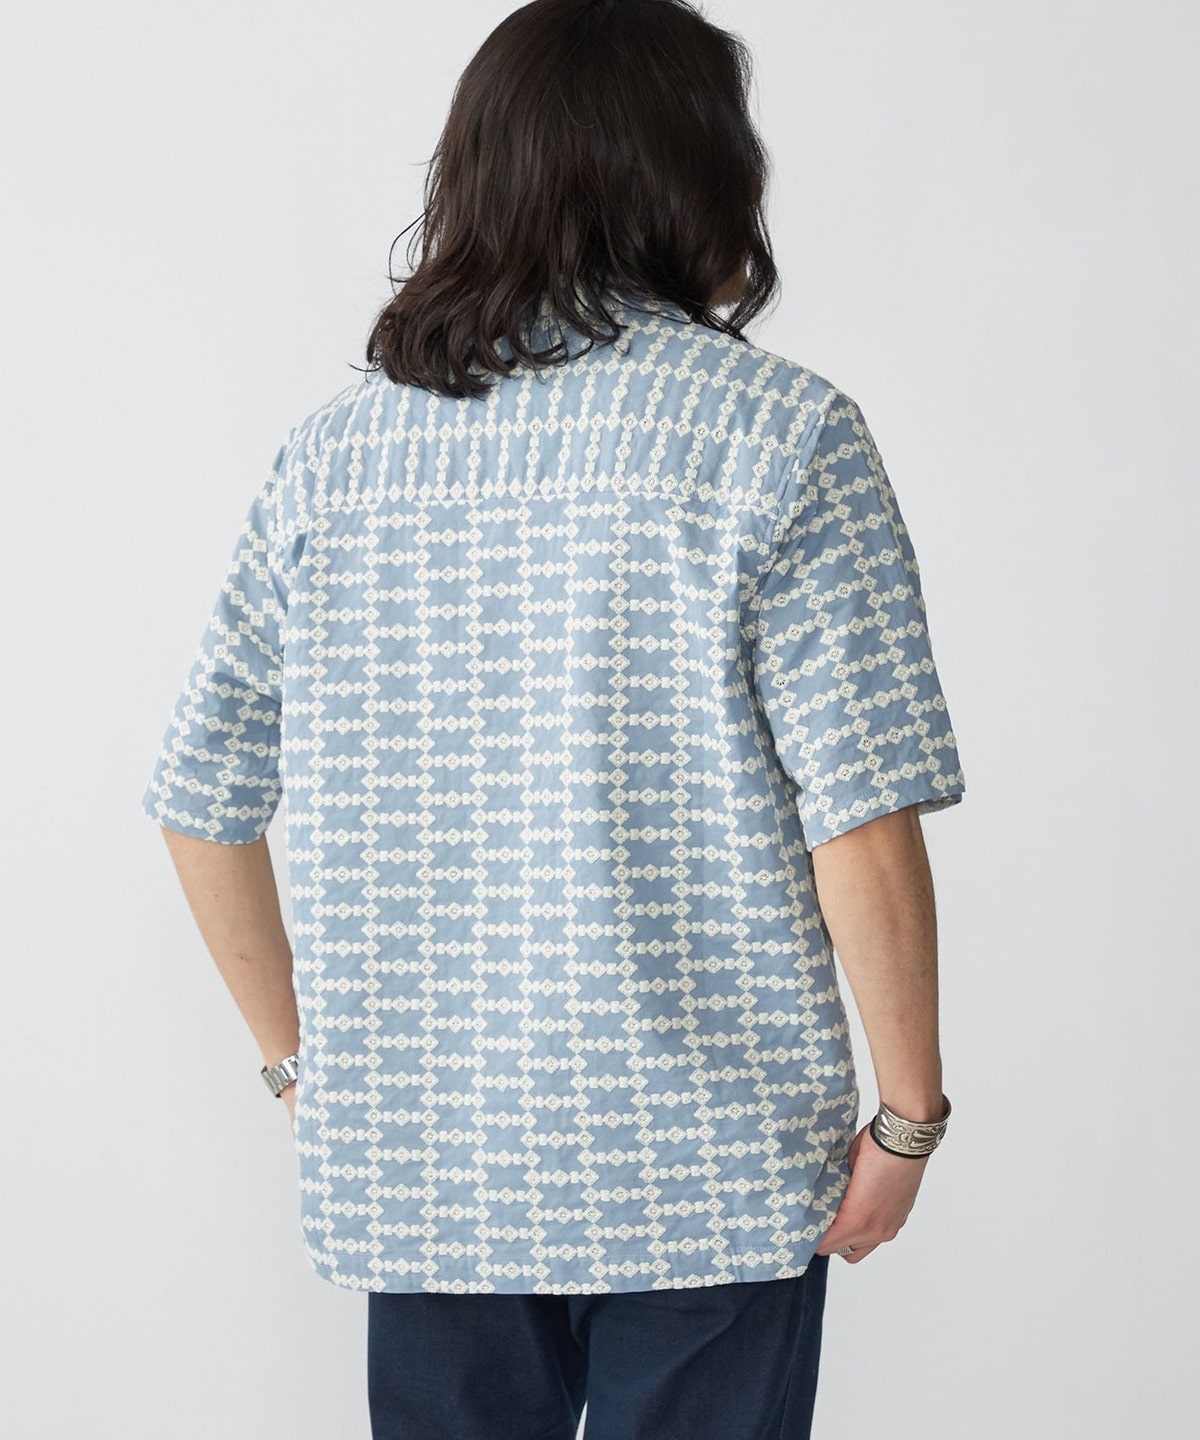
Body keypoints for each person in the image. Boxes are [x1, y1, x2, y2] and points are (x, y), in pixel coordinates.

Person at [140, 1, 967, 1436]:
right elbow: (861, 817)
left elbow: (200, 799)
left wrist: (301, 1070)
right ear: (703, 172)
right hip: (706, 1170)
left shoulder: (334, 463)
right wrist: (907, 1117)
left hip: (428, 1169)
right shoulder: (781, 436)